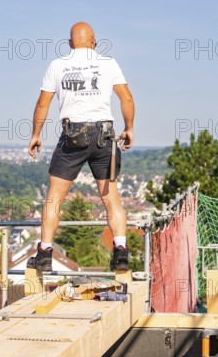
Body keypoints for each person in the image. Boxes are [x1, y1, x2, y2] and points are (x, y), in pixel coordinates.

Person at [27, 22, 135, 271]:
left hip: (72, 135)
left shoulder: (57, 65)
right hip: (105, 137)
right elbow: (126, 98)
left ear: (69, 44)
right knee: (110, 198)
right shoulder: (109, 63)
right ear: (94, 42)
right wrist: (128, 128)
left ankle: (45, 254)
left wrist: (35, 134)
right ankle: (120, 253)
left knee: (54, 197)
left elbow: (43, 104)